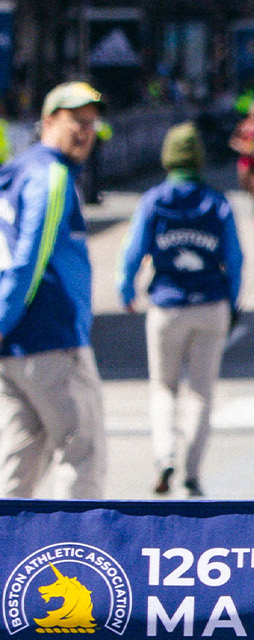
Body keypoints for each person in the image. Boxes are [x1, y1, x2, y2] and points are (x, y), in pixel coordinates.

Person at [117, 123, 244, 498]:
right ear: (199, 161)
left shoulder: (154, 201)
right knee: (202, 392)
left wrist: (126, 289)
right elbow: (235, 259)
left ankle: (164, 456)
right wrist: (233, 303)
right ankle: (191, 473)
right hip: (210, 303)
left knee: (163, 387)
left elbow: (133, 251)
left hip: (167, 304)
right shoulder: (217, 202)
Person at [0, 81, 107, 498]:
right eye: (76, 121)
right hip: (53, 339)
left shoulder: (14, 172)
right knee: (84, 456)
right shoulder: (52, 176)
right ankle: (79, 561)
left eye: (93, 124)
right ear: (48, 121)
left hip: (14, 350)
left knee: (18, 466)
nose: (86, 131)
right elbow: (28, 257)